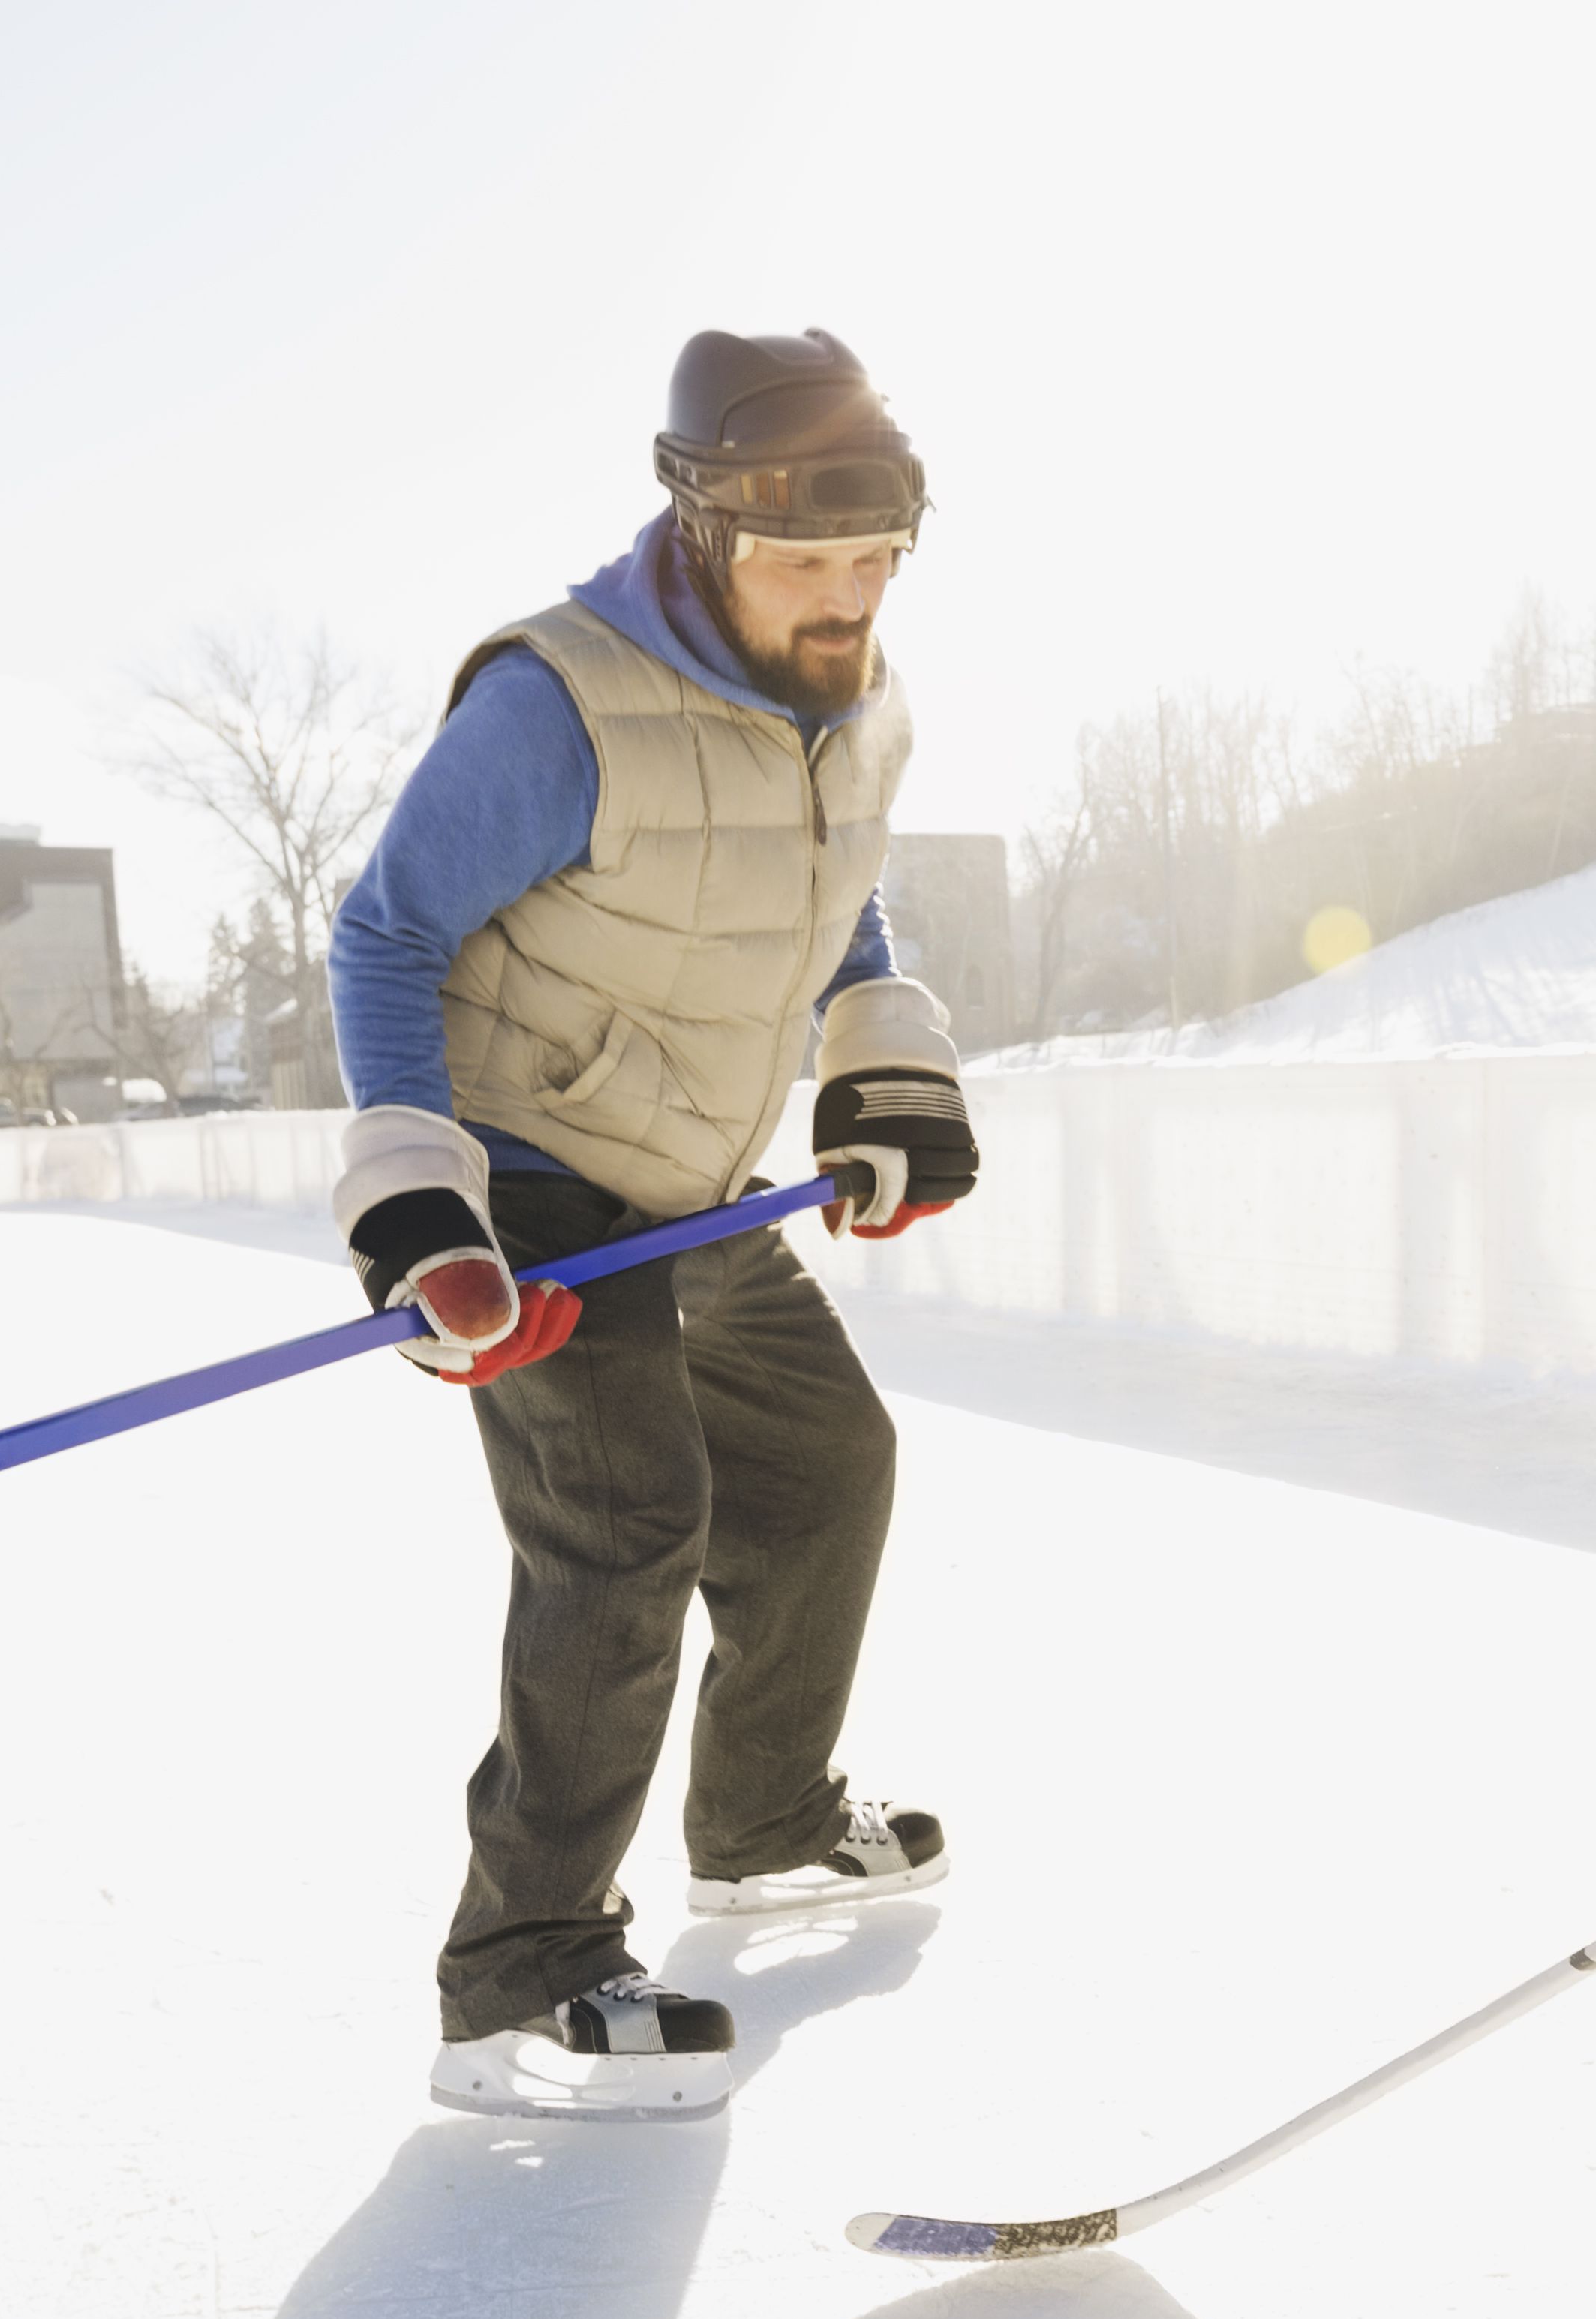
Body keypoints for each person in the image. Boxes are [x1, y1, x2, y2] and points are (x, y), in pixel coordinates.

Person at [320, 327, 979, 2124]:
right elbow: (383, 934)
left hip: (689, 1177)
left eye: (875, 559)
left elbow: (827, 900)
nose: (844, 598)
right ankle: (517, 1975)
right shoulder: (560, 703)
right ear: (701, 530)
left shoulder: (862, 700)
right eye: (804, 562)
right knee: (625, 1531)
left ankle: (763, 1819)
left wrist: (882, 1067)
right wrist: (420, 1213)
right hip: (526, 1170)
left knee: (827, 1461)